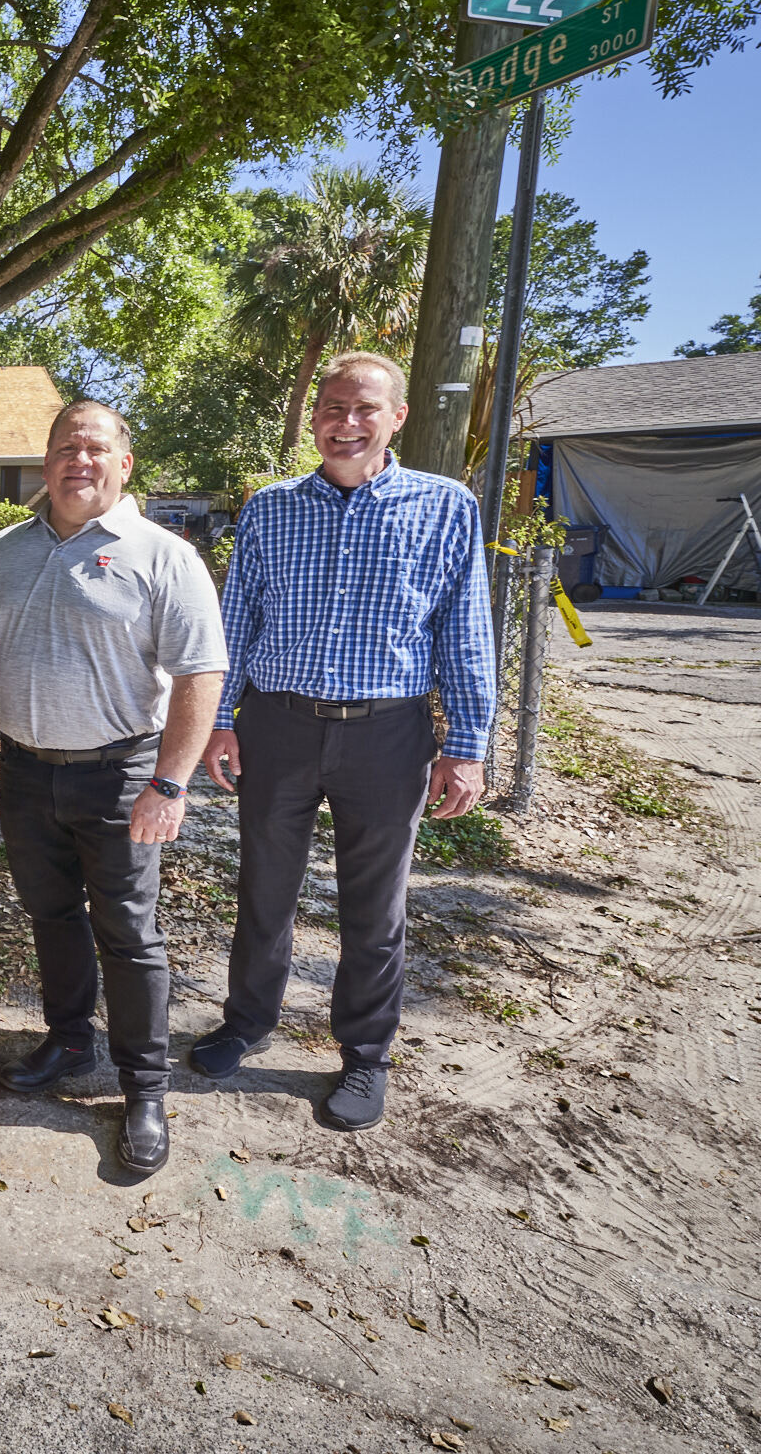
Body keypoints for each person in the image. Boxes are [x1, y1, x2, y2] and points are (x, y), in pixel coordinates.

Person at [0, 400, 225, 1173]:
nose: (78, 461)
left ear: (124, 463)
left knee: (129, 932)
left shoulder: (161, 555)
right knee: (51, 915)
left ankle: (144, 1086)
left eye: (94, 448)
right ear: (44, 464)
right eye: (63, 449)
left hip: (122, 776)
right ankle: (70, 1040)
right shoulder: (8, 549)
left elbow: (199, 674)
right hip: (23, 770)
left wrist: (170, 786)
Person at [192, 351, 495, 1133]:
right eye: (332, 407)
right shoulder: (272, 508)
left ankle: (365, 1056)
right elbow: (238, 623)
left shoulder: (446, 506)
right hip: (278, 724)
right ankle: (246, 1022)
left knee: (375, 908)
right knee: (264, 892)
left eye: (365, 409)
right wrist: (220, 720)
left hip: (387, 735)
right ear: (314, 418)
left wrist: (466, 743)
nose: (345, 422)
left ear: (396, 417)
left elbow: (465, 631)